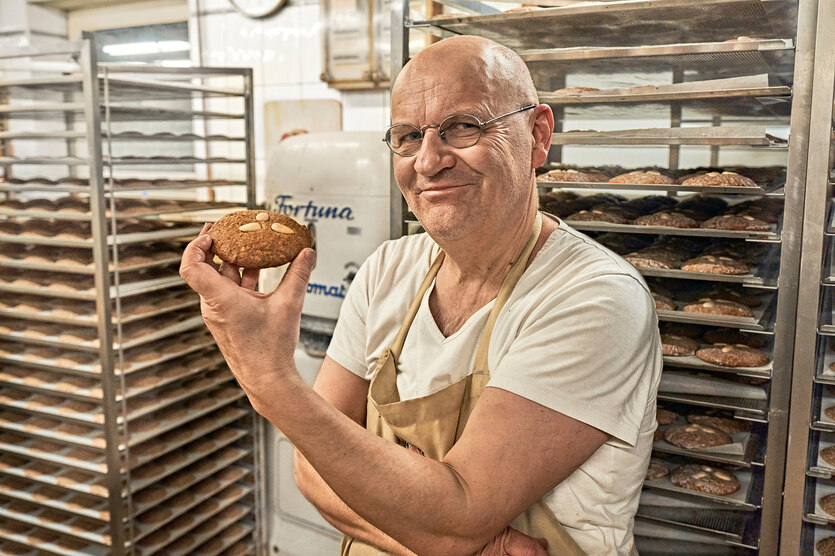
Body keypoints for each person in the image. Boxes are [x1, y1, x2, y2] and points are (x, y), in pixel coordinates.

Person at [180, 35, 661, 555]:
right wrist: (468, 548)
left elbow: (458, 516)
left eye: (463, 127)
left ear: (537, 135)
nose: (429, 161)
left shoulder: (593, 298)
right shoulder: (389, 269)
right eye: (408, 136)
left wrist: (270, 380)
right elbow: (311, 469)